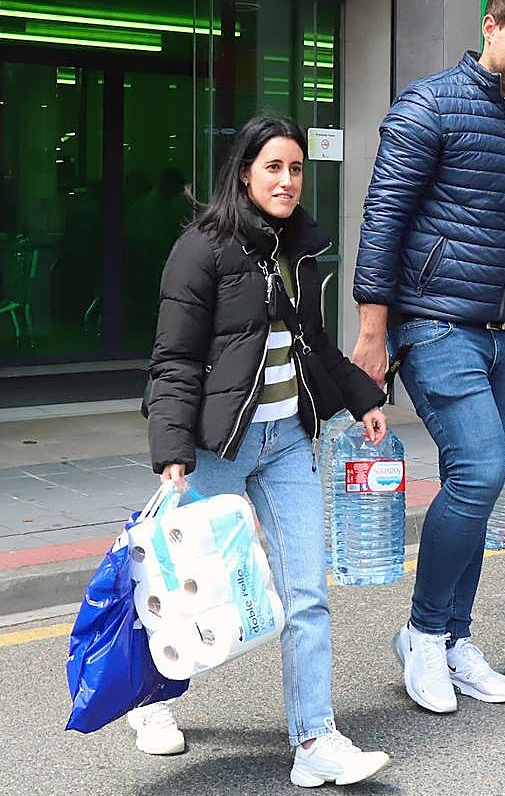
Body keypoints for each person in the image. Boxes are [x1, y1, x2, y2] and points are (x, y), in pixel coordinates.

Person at [134, 113, 393, 788]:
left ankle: (315, 740)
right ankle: (153, 704)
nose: (285, 180)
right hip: (219, 448)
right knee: (196, 592)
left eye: (296, 168)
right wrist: (172, 450)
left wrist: (364, 398)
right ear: (244, 172)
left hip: (287, 447)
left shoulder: (297, 248)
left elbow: (314, 345)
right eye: (272, 167)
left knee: (304, 595)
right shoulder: (203, 247)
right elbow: (174, 360)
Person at [350, 0, 505, 715]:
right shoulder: (428, 104)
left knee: (481, 485)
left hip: (503, 333)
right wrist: (372, 333)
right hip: (435, 323)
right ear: (490, 26)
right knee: (478, 470)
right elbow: (382, 219)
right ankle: (420, 633)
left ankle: (453, 640)